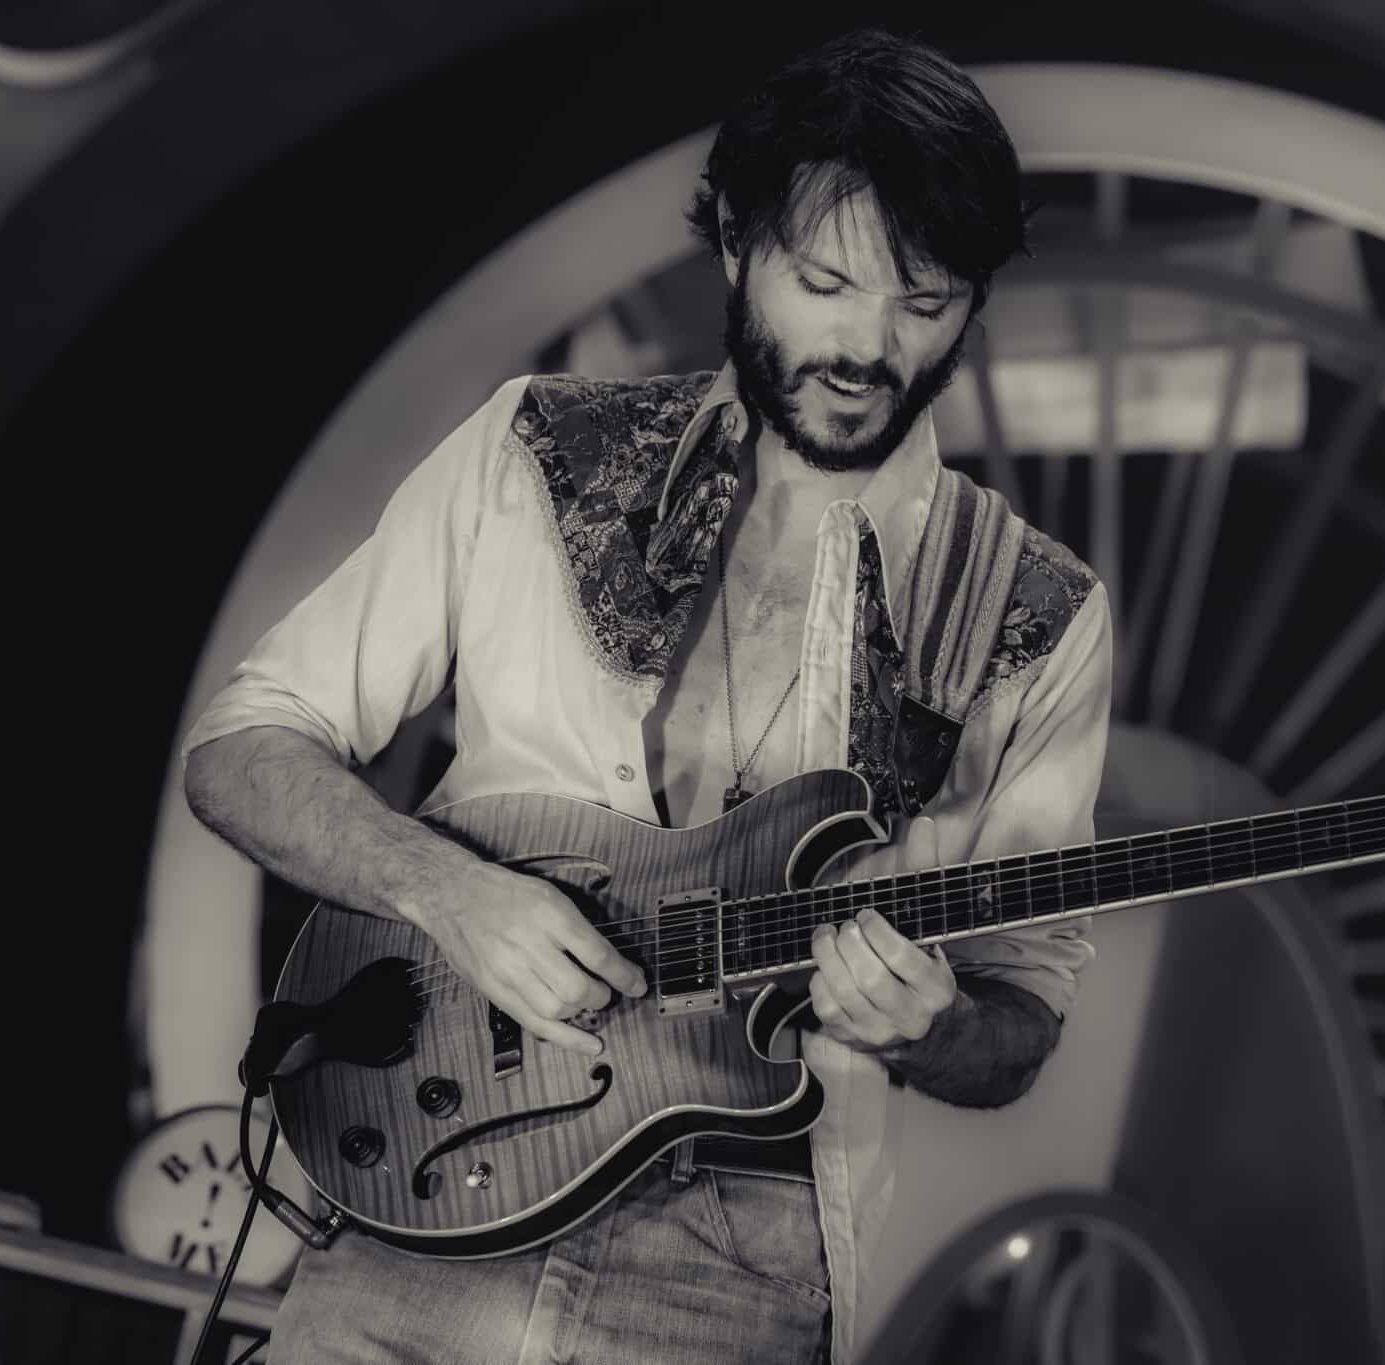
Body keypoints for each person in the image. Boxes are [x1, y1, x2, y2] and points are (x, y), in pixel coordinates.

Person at [181, 26, 1112, 1365]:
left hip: (738, 1252)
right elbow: (241, 748)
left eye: (925, 301)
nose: (867, 345)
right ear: (735, 241)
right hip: (430, 1194)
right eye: (827, 282)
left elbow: (1018, 1019)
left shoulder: (1031, 609)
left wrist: (938, 1026)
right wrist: (445, 889)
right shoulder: (538, 451)